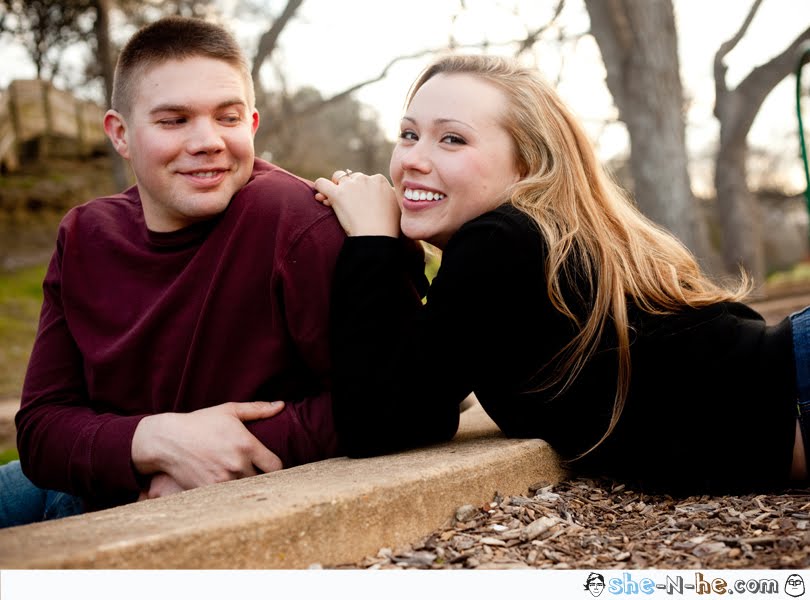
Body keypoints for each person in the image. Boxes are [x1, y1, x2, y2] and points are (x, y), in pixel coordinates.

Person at [313, 53, 809, 496]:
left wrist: (371, 243)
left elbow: (375, 422)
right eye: (408, 134)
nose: (412, 160)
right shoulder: (539, 237)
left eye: (452, 139)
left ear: (527, 165)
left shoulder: (500, 240)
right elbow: (421, 396)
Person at [0, 16, 346, 528]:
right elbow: (40, 429)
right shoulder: (85, 234)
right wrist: (160, 441)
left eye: (228, 117)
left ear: (252, 124)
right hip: (78, 481)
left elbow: (387, 397)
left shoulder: (296, 221)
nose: (208, 141)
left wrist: (211, 461)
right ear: (120, 134)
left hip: (176, 506)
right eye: (174, 120)